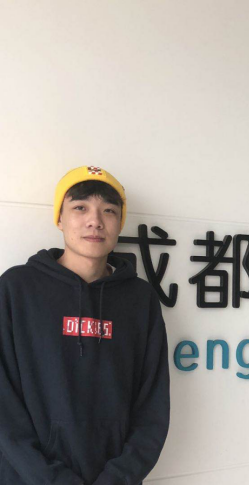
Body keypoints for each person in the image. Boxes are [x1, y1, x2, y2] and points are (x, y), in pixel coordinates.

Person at [0, 166, 170, 485]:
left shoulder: (141, 299)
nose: (95, 221)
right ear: (59, 218)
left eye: (109, 210)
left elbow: (153, 406)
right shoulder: (15, 289)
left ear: (120, 222)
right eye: (80, 207)